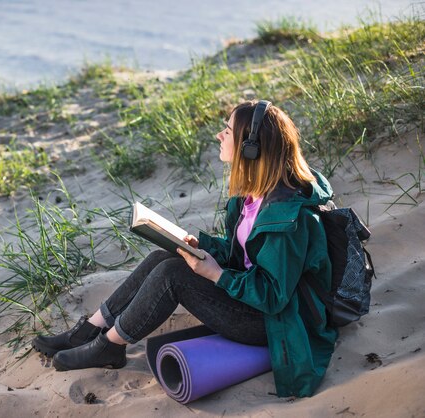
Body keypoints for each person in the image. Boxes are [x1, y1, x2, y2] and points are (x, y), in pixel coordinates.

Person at [32, 100, 338, 398]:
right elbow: (245, 257)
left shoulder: (288, 218)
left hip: (274, 322)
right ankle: (90, 329)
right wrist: (200, 246)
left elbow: (274, 296)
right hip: (254, 303)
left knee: (172, 275)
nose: (219, 136)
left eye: (227, 131)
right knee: (164, 256)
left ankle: (109, 346)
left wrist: (217, 275)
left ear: (251, 147)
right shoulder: (252, 199)